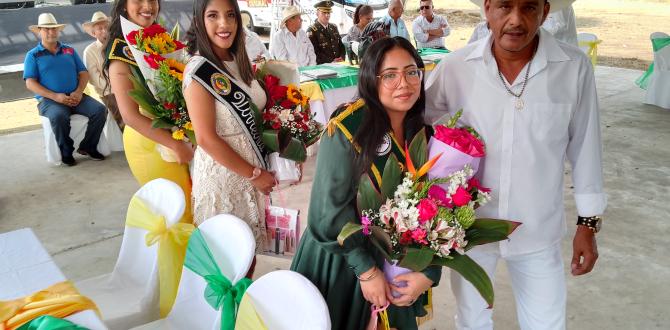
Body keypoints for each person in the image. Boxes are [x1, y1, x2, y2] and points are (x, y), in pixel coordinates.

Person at [425, 0, 606, 329]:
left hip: (537, 227)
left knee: (547, 322)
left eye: (528, 8)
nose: (515, 19)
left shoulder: (573, 67)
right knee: (471, 319)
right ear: (488, 8)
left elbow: (586, 146)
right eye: (505, 6)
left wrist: (588, 223)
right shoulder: (456, 67)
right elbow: (418, 121)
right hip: (470, 228)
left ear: (545, 11)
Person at [291, 37, 441, 330]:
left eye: (412, 72)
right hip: (344, 260)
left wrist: (429, 271)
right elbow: (327, 214)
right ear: (371, 79)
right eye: (390, 75)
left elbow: (436, 212)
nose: (404, 83)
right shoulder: (347, 128)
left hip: (397, 264)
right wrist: (366, 271)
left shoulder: (423, 131)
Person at [182, 0, 276, 257]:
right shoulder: (198, 71)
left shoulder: (238, 60)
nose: (224, 24)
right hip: (225, 181)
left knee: (251, 257)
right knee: (228, 264)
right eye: (213, 16)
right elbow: (205, 138)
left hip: (252, 172)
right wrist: (255, 174)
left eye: (230, 15)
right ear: (200, 20)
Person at [106, 0, 193, 223]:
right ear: (124, 5)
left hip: (172, 135)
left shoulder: (156, 40)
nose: (147, 5)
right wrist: (175, 144)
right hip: (149, 141)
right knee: (177, 213)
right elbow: (130, 116)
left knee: (190, 205)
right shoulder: (119, 53)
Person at [24, 13, 107, 166]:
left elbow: (83, 73)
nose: (51, 32)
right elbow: (30, 83)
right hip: (50, 101)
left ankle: (88, 146)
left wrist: (79, 91)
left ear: (58, 31)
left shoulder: (69, 50)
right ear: (39, 31)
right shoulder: (33, 55)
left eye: (54, 29)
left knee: (100, 111)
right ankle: (66, 152)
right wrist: (55, 96)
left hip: (76, 96)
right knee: (59, 116)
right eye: (46, 29)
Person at [83, 11, 124, 131]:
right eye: (100, 29)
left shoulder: (117, 44)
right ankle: (129, 142)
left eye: (106, 27)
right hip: (108, 92)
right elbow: (93, 78)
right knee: (123, 117)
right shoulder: (89, 51)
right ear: (93, 33)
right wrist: (115, 88)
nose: (104, 31)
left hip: (125, 86)